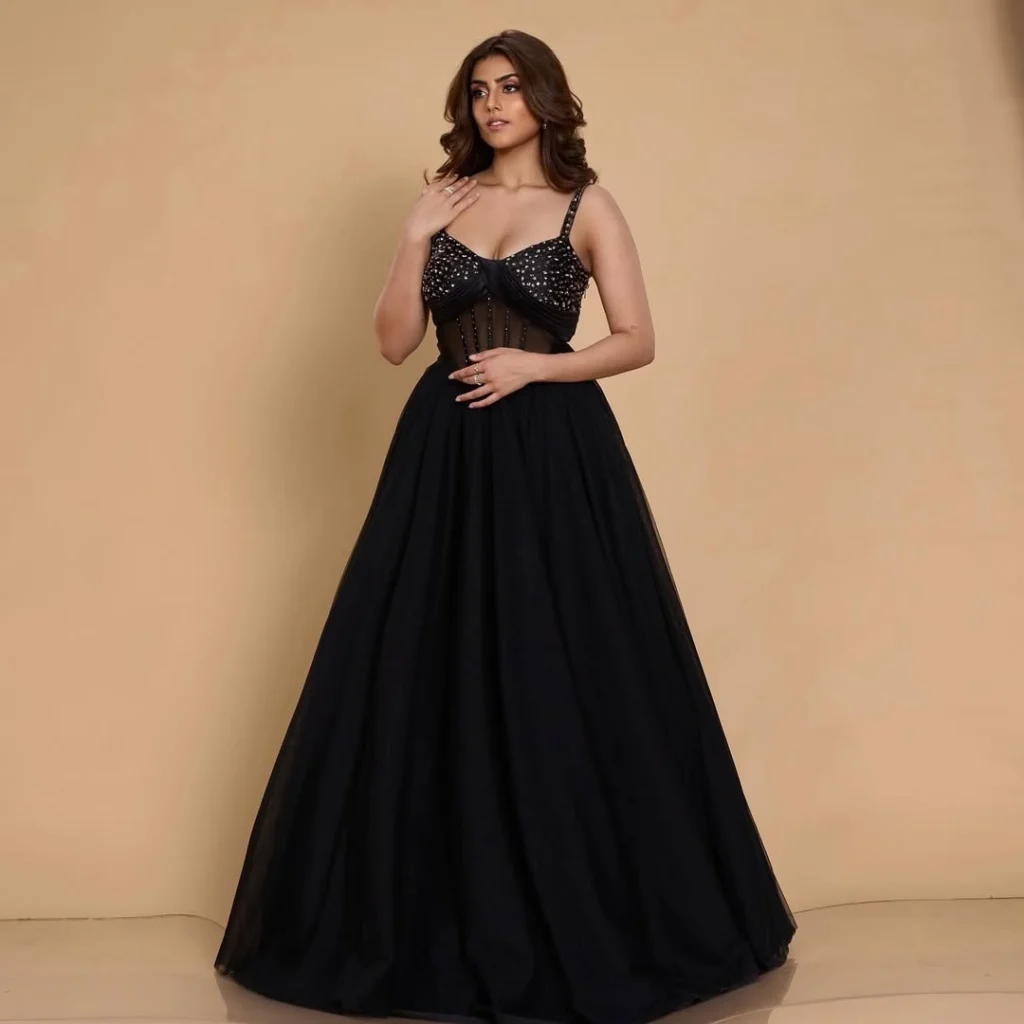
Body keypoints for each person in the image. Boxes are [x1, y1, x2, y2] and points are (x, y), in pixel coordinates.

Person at [214, 27, 796, 1024]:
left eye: (511, 87)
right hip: (442, 452)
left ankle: (590, 904)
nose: (492, 104)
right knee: (421, 661)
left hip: (553, 454)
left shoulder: (585, 206)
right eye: (479, 89)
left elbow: (637, 339)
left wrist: (538, 365)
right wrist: (410, 237)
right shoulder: (444, 203)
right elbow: (395, 344)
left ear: (545, 100)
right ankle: (426, 914)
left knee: (560, 660)